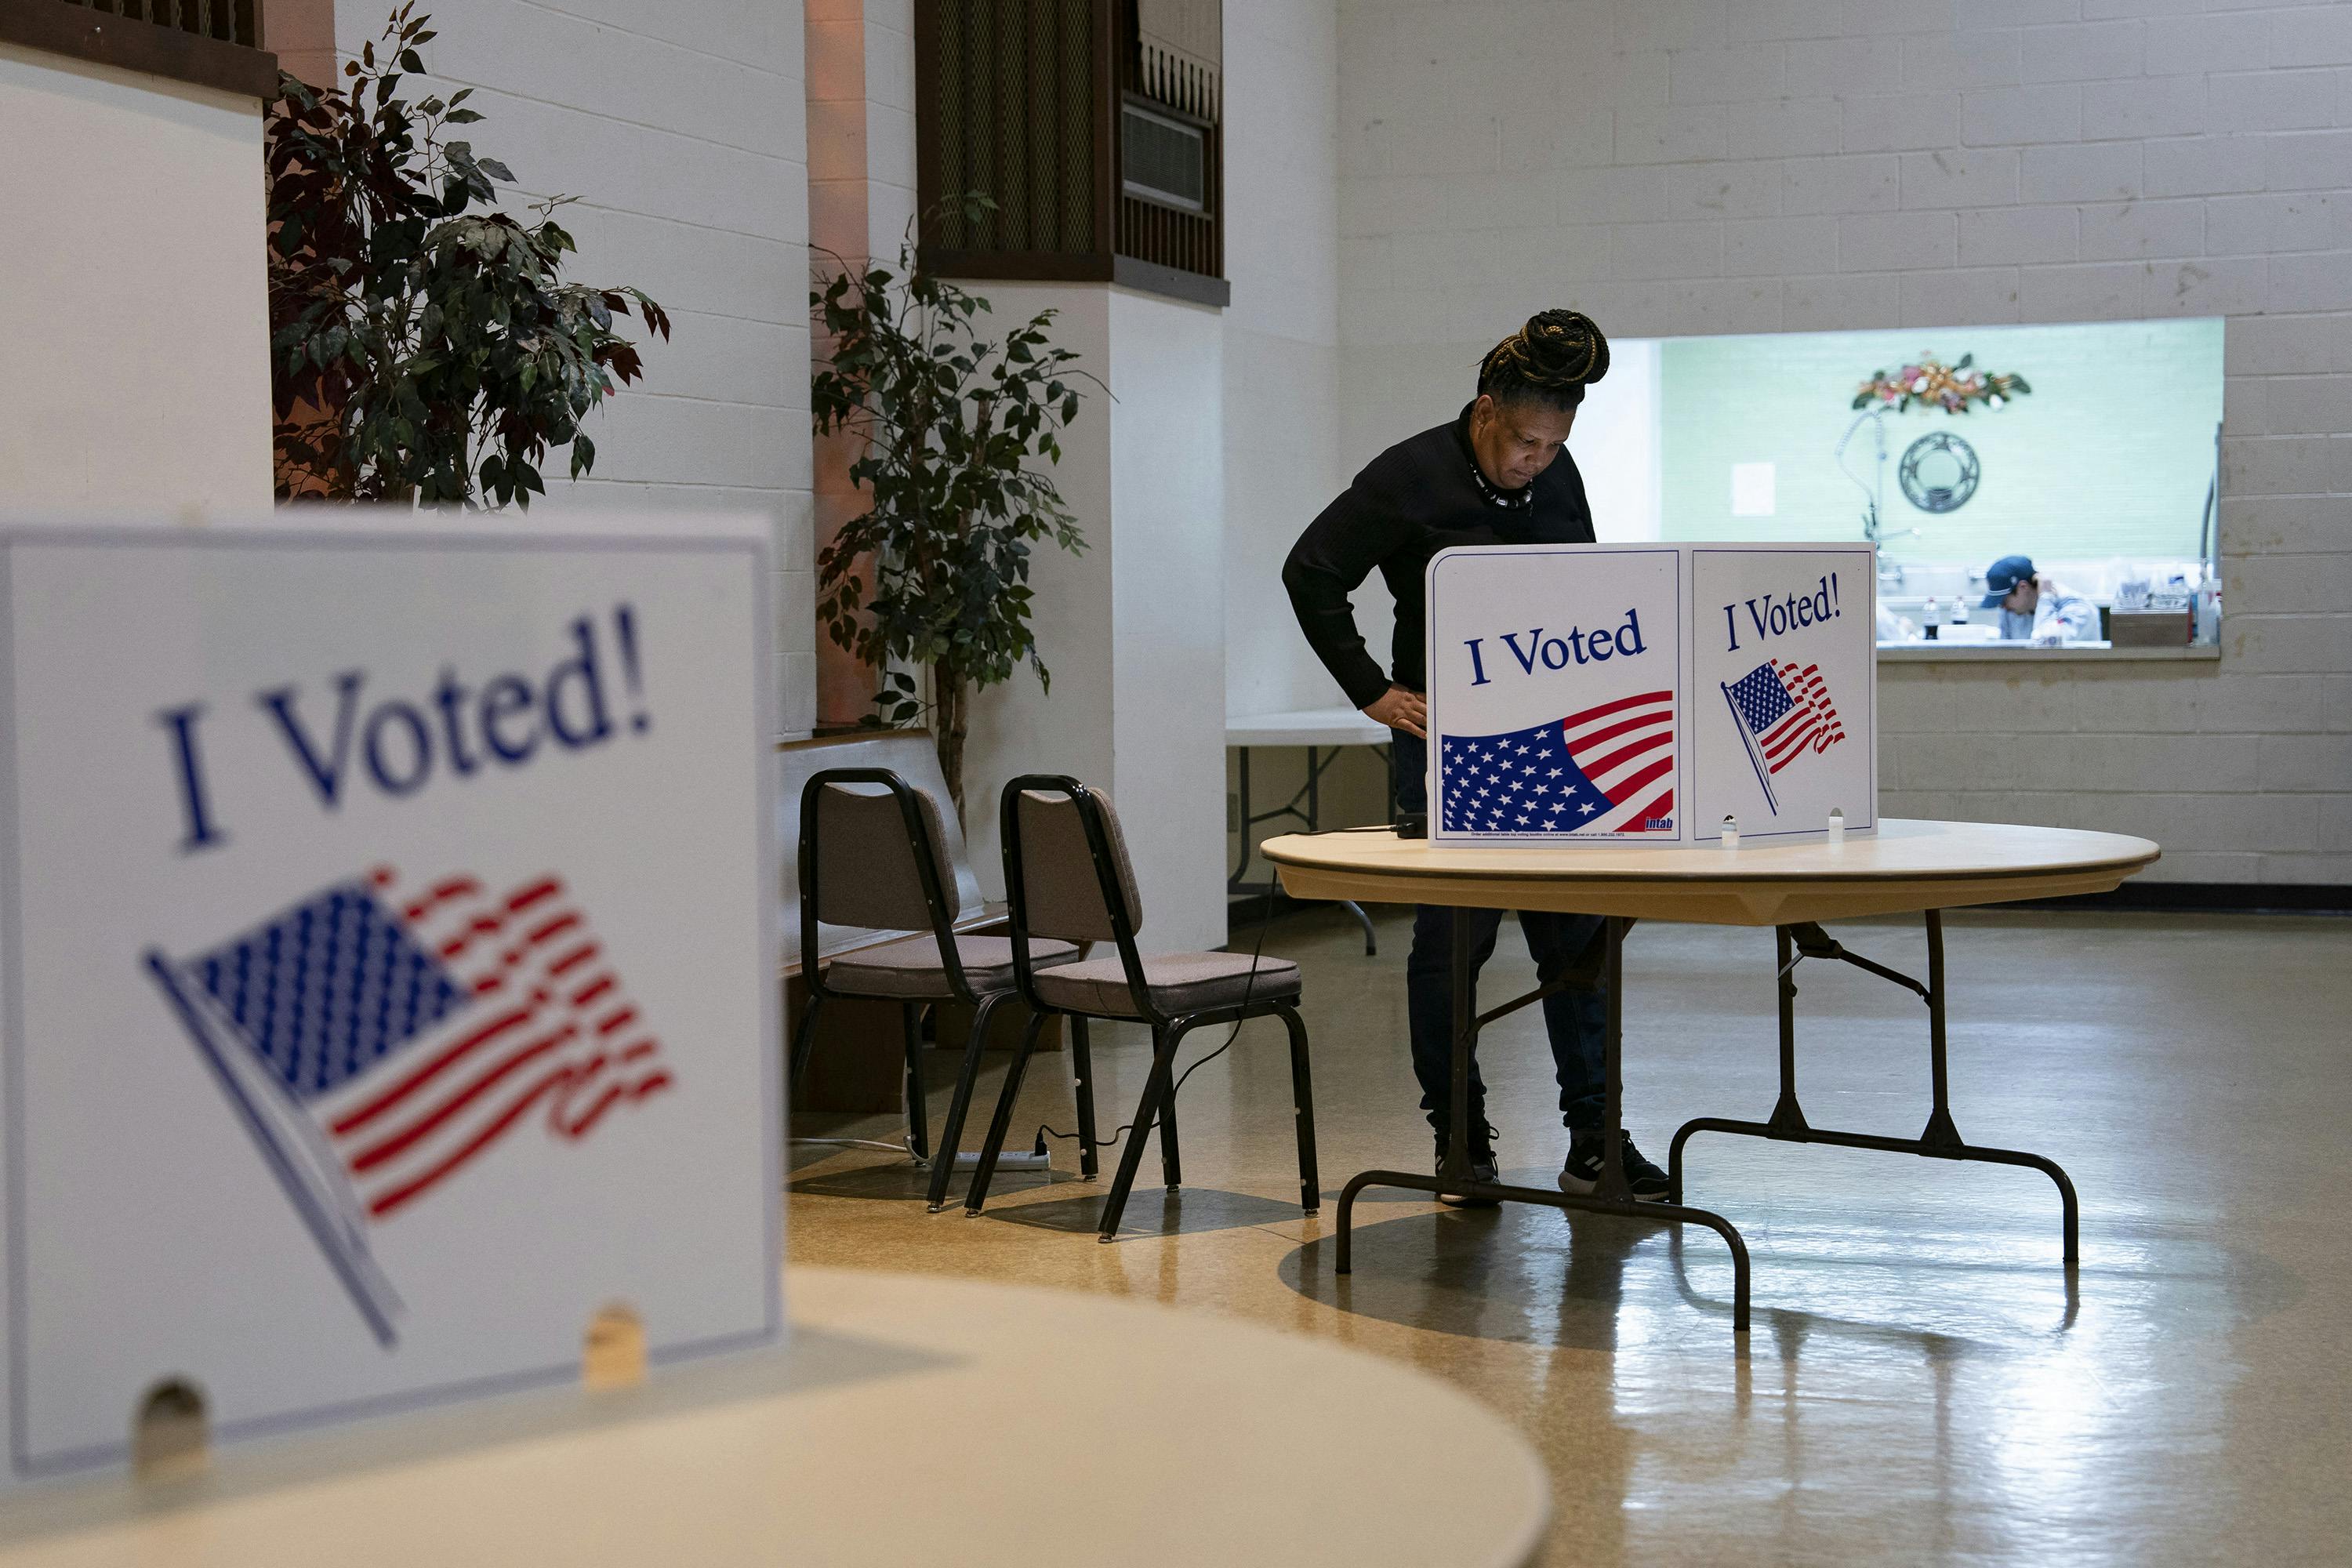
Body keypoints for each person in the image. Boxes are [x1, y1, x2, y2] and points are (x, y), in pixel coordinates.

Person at [1280, 309, 1669, 1203]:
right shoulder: (1408, 475)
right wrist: (1371, 688)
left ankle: (1595, 1140)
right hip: (1446, 745)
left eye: (1554, 444)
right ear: (1485, 410)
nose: (1537, 461)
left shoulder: (1558, 474)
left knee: (1578, 941)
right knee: (1453, 945)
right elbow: (1312, 570)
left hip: (1557, 742)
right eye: (1525, 441)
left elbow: (1585, 593)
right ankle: (1460, 1136)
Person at [1983, 554, 2095, 644]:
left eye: (2003, 600)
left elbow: (2047, 646)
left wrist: (2046, 598)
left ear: (2023, 587)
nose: (2002, 607)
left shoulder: (2077, 608)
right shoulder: (2012, 611)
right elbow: (2005, 653)